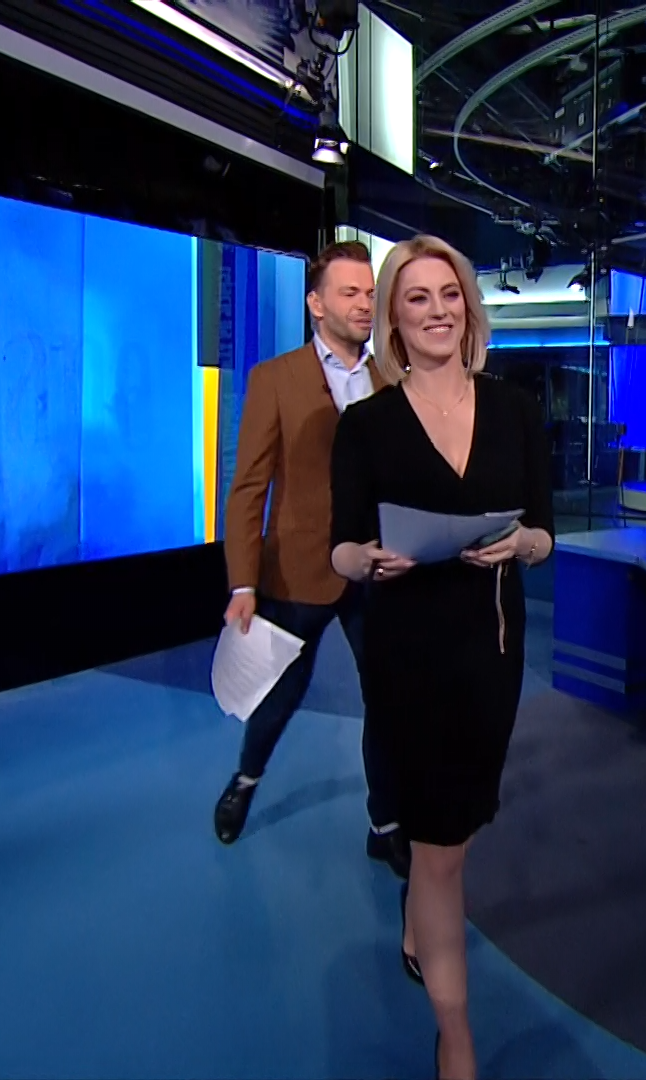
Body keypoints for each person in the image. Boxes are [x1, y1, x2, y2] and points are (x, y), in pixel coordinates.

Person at [328, 235, 554, 1079]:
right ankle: (455, 1034)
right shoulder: (366, 424)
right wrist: (365, 560)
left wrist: (522, 544)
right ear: (392, 317)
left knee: (458, 829)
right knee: (440, 848)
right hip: (408, 656)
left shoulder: (516, 409)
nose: (437, 310)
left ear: (469, 306)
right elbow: (340, 545)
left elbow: (544, 531)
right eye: (417, 297)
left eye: (450, 293)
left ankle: (418, 912)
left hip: (491, 650)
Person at [215, 239, 409, 879]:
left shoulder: (390, 379)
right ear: (315, 304)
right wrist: (243, 583)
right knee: (279, 697)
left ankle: (385, 824)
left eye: (369, 293)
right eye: (350, 293)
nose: (364, 304)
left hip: (374, 569)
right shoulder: (275, 379)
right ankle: (246, 779)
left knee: (387, 698)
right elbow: (249, 488)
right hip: (298, 569)